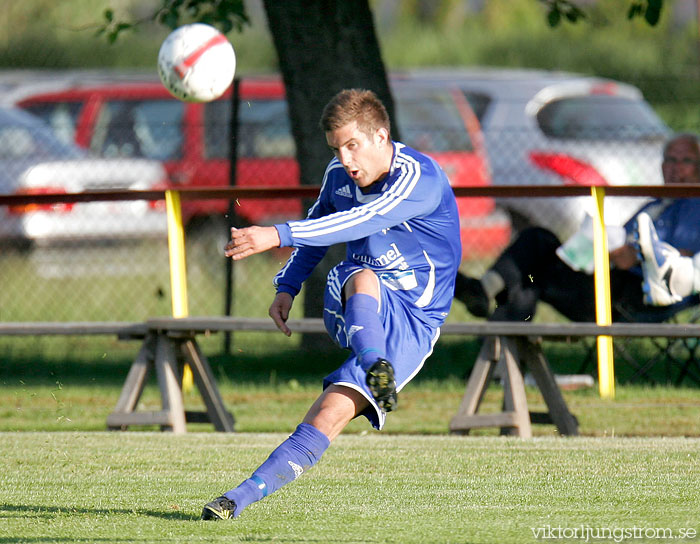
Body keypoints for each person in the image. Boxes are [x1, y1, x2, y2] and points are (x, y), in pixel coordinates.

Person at [201, 89, 462, 520]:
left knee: (329, 413)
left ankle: (236, 499)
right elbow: (320, 225)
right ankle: (376, 364)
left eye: (352, 145)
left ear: (381, 136)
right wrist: (288, 286)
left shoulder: (420, 179)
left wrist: (276, 234)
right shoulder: (340, 175)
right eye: (337, 148)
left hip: (415, 320)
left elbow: (367, 218)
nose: (344, 159)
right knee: (362, 273)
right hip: (358, 300)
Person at [454, 133, 700, 323]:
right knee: (532, 260)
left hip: (640, 294)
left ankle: (485, 308)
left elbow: (689, 257)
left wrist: (637, 256)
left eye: (685, 161)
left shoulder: (694, 204)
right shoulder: (654, 204)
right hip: (603, 278)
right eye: (670, 159)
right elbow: (618, 242)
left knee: (535, 252)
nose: (675, 167)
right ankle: (500, 358)